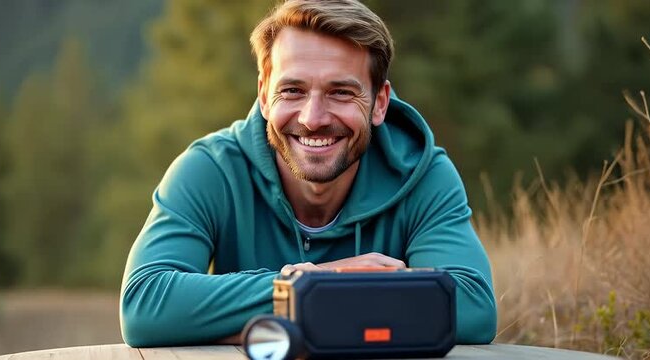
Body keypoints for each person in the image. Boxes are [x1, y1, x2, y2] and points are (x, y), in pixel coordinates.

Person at [120, 0, 496, 347]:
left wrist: (268, 317)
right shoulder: (209, 169)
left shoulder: (424, 174)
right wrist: (317, 284)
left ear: (379, 102)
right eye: (292, 91)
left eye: (341, 93)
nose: (312, 119)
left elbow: (473, 308)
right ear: (265, 95)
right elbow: (145, 306)